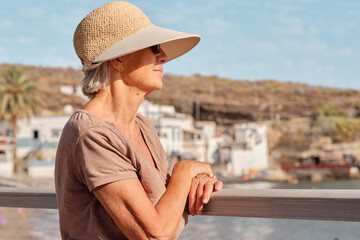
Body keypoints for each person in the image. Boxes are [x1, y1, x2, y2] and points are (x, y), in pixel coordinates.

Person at [55, 1, 223, 239]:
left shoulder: (142, 126)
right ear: (117, 61)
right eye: (153, 47)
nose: (162, 56)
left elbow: (166, 206)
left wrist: (197, 180)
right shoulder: (92, 135)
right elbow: (154, 234)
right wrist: (184, 172)